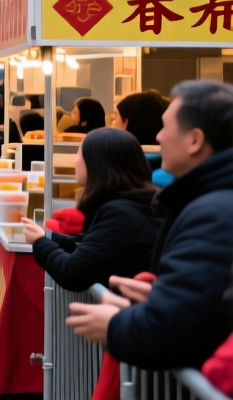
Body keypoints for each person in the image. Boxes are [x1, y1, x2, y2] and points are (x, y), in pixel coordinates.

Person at [67, 81, 233, 371]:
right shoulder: (203, 202)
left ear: (194, 140)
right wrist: (159, 299)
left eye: (166, 127)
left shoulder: (211, 214)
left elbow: (177, 328)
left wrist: (117, 325)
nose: (158, 137)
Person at [23, 127, 158, 289]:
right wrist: (50, 237)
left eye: (79, 153)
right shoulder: (139, 204)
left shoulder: (120, 213)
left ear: (96, 162)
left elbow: (72, 273)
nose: (75, 160)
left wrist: (40, 242)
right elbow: (93, 245)